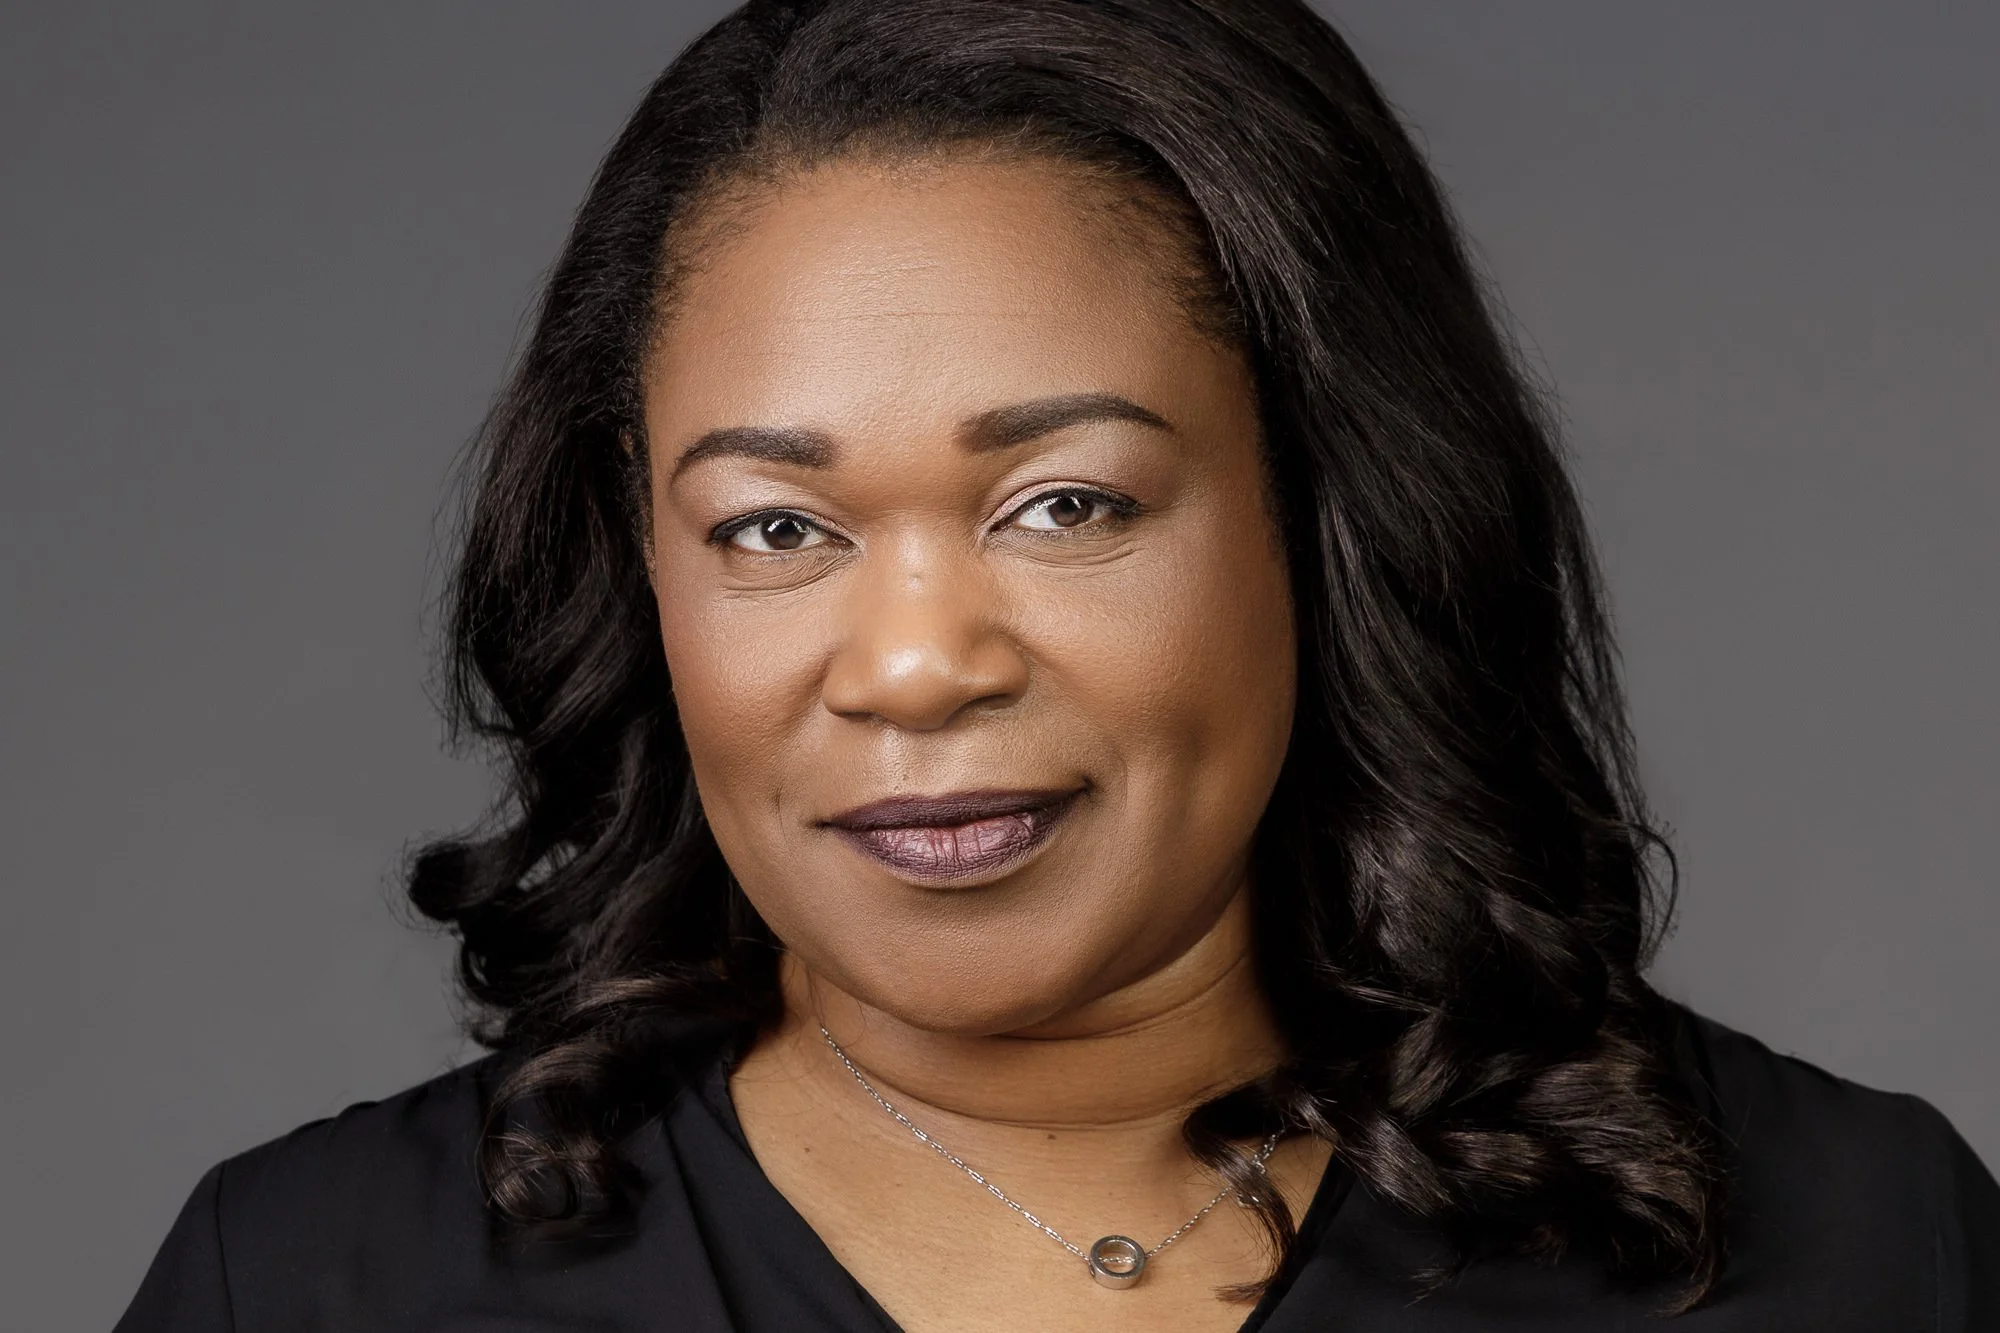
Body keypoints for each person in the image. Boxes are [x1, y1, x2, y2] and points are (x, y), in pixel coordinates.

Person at [115, 1, 1999, 1329]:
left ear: (1330, 522)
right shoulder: (304, 1283)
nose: (917, 668)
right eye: (777, 529)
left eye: (1067, 505)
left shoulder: (1859, 1246)